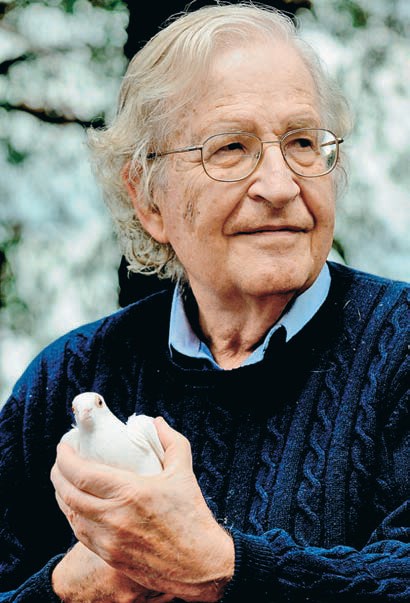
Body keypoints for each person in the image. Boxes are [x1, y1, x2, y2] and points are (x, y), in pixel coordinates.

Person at [0, 2, 408, 602]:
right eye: (231, 148)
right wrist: (68, 588)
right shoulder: (67, 380)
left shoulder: (400, 347)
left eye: (302, 142)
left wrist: (217, 566)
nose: (280, 185)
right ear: (149, 199)